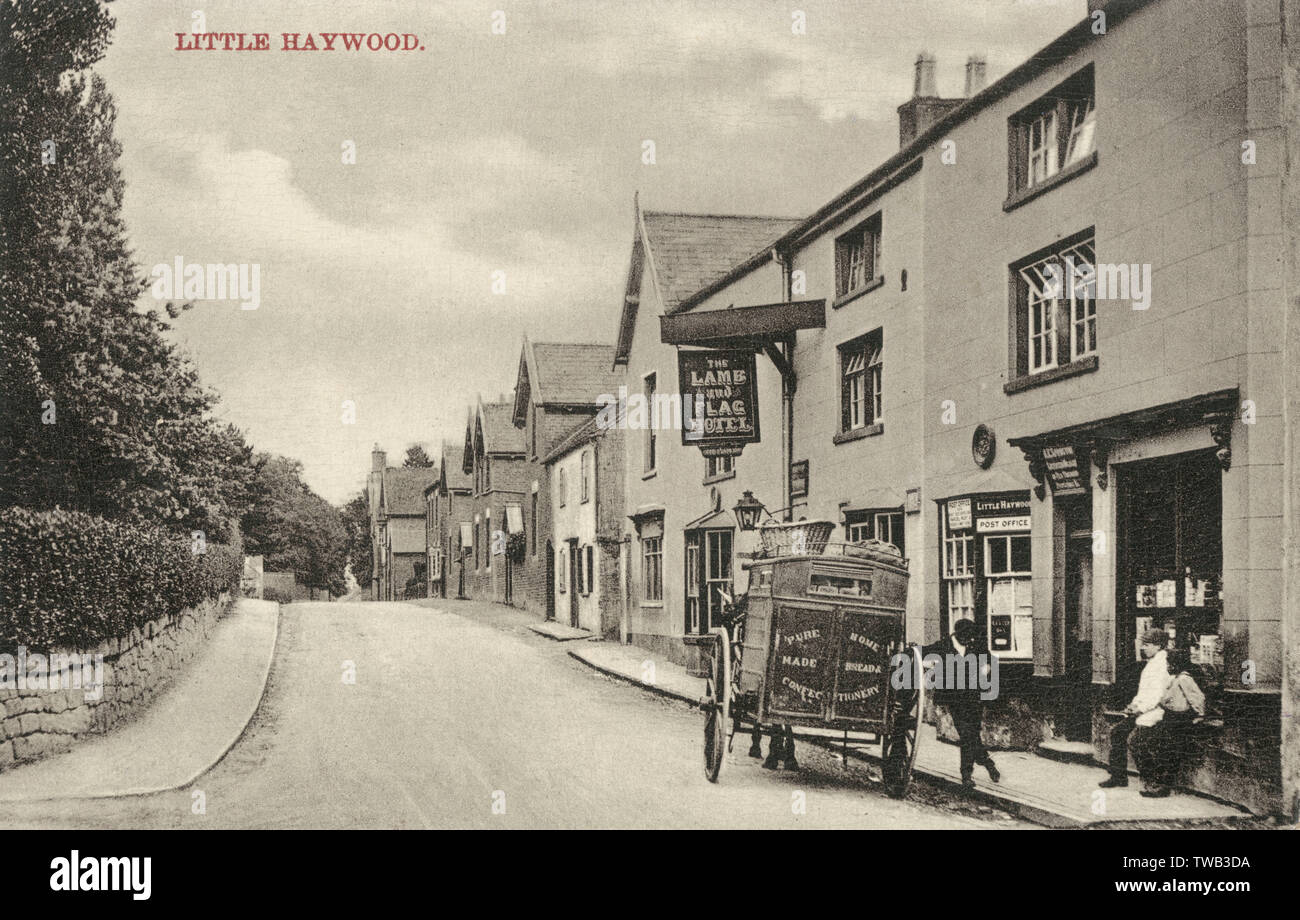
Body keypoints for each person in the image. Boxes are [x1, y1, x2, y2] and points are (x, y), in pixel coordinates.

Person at [924, 618, 998, 790]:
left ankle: (978, 768)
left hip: (973, 697)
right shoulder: (943, 646)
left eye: (971, 637)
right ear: (958, 635)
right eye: (966, 637)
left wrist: (983, 671)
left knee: (971, 734)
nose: (970, 640)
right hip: (954, 698)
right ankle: (975, 769)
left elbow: (988, 661)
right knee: (967, 734)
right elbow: (925, 655)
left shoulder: (975, 644)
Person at [1099, 627, 1170, 790]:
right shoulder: (1152, 663)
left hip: (1155, 712)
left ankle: (1153, 780)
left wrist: (1140, 708)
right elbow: (1144, 691)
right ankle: (1118, 776)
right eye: (1143, 644)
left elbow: (1157, 695)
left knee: (1136, 741)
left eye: (1147, 644)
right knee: (1117, 732)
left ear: (1158, 646)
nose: (1143, 647)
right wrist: (1134, 704)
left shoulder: (1161, 665)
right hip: (1143, 710)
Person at [1132, 649, 1206, 797]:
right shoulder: (1174, 678)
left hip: (1179, 719)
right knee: (1155, 746)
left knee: (1169, 752)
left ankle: (1163, 787)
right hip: (1169, 716)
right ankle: (1156, 782)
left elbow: (1197, 698)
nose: (1167, 666)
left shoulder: (1184, 679)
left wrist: (1199, 715)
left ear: (1177, 664)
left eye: (1170, 663)